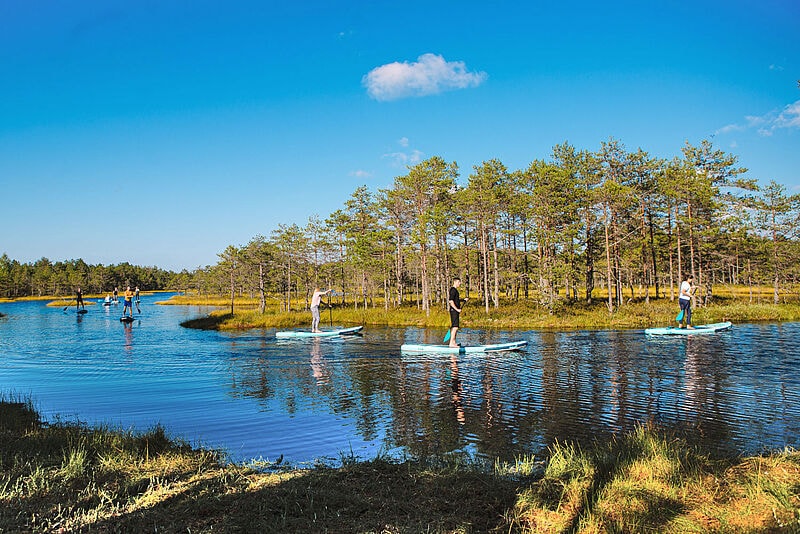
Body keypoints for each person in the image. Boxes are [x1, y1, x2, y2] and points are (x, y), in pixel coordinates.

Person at [448, 278, 466, 347]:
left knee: (456, 327)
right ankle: (451, 343)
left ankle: (453, 342)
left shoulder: (455, 290)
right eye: (459, 282)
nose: (460, 283)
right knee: (455, 327)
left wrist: (463, 300)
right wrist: (457, 309)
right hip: (454, 311)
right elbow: (451, 301)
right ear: (455, 282)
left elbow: (456, 300)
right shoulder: (453, 290)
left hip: (455, 311)